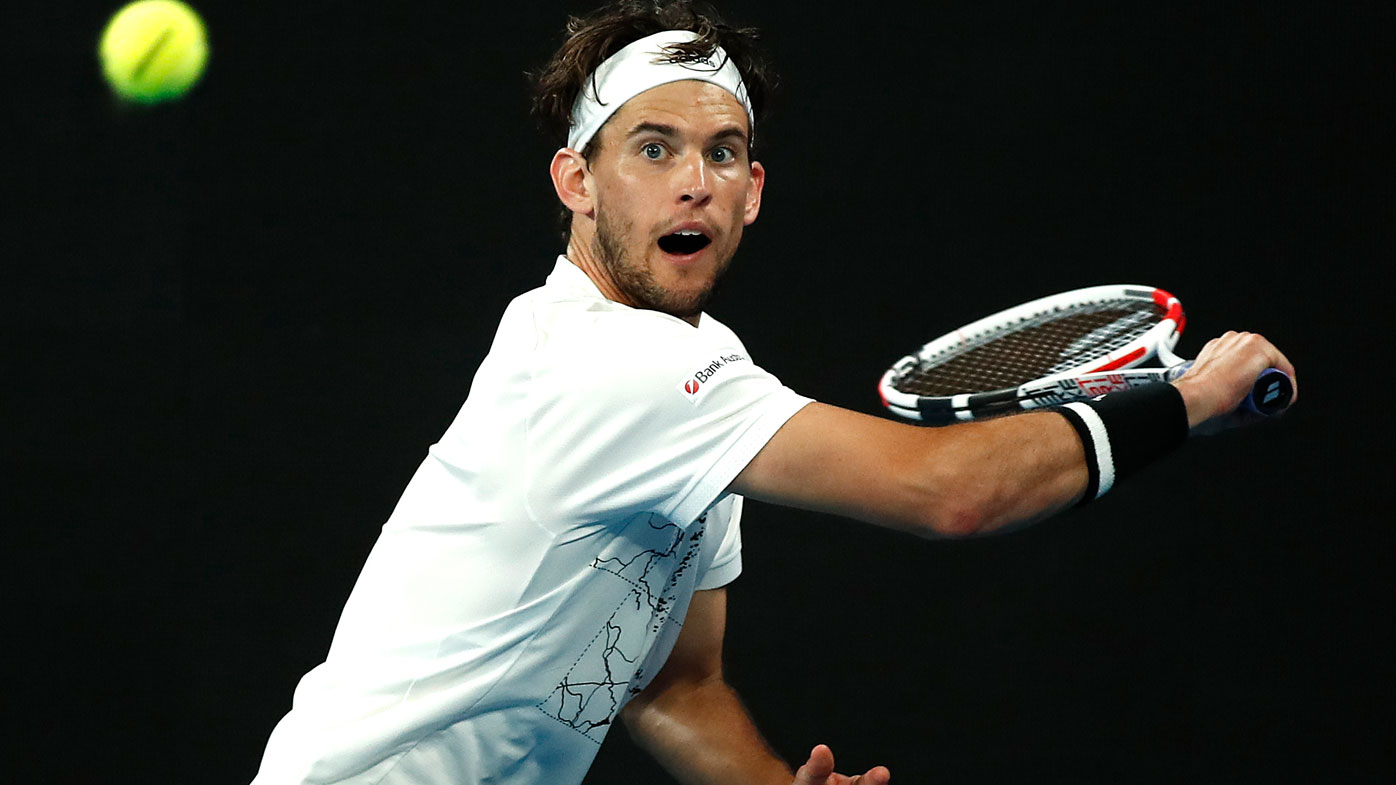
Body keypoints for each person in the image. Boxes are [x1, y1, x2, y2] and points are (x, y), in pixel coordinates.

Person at [249, 2, 1297, 784]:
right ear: (578, 182)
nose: (691, 180)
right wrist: (1188, 402)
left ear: (752, 193)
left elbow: (668, 679)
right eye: (652, 150)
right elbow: (952, 493)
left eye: (721, 152)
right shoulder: (615, 365)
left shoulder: (698, 368)